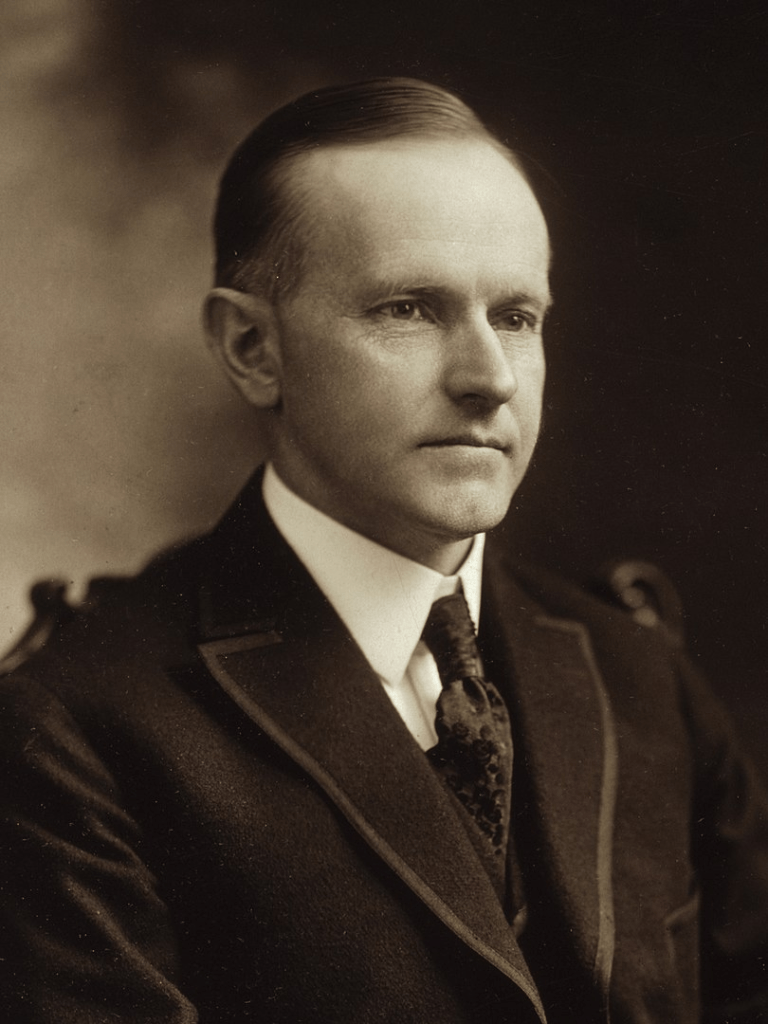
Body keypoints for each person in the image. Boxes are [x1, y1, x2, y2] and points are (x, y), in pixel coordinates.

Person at [0, 77, 766, 1024]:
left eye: (516, 317)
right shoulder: (73, 728)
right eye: (408, 309)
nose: (489, 378)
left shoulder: (638, 676)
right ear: (252, 347)